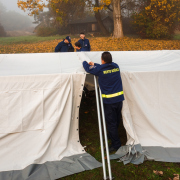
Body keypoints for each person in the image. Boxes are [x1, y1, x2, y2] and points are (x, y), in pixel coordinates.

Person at [82, 52, 124, 152]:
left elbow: (88, 69)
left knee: (111, 123)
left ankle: (116, 144)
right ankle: (113, 134)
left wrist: (85, 62)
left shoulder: (100, 70)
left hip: (109, 102)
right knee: (117, 119)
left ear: (102, 60)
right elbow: (102, 67)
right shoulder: (116, 66)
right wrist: (95, 64)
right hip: (119, 100)